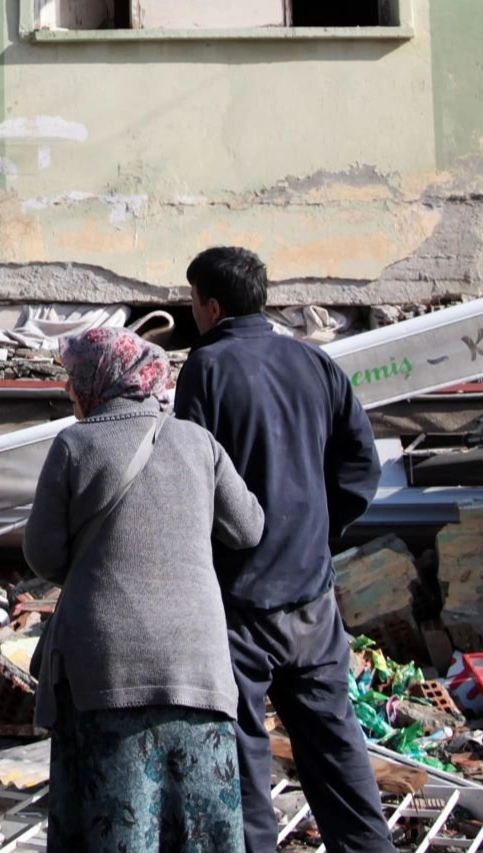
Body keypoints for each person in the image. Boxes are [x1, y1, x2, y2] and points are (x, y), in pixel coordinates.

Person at [173, 246, 391, 853]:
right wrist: (321, 535)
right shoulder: (314, 363)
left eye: (192, 300)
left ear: (210, 306)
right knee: (337, 750)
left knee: (244, 764)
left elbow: (195, 480)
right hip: (313, 601)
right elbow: (360, 467)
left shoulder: (206, 370)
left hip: (241, 605)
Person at [24, 327, 264, 853]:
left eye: (73, 377)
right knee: (201, 829)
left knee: (116, 823)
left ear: (97, 380)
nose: (69, 389)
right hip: (197, 667)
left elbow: (41, 555)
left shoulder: (74, 444)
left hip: (105, 669)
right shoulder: (199, 443)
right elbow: (248, 527)